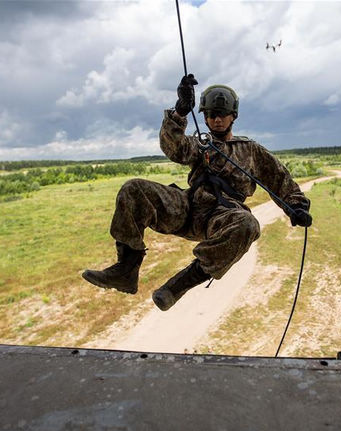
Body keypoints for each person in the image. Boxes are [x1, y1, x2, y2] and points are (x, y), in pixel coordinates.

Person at [82, 75, 312, 311]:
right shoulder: (200, 143)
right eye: (211, 114)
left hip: (222, 216)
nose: (217, 119)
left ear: (234, 116)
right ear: (204, 116)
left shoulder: (251, 151)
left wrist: (297, 206)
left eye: (222, 114)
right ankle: (126, 270)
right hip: (188, 208)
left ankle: (176, 287)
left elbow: (278, 178)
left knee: (248, 225)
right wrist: (180, 113)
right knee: (134, 189)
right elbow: (175, 149)